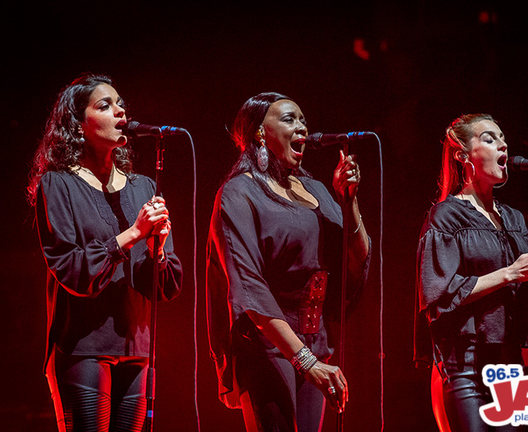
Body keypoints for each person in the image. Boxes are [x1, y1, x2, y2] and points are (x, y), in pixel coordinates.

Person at [27, 73, 184, 432]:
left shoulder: (142, 186)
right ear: (78, 124)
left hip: (138, 347)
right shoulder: (59, 184)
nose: (120, 111)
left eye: (121, 104)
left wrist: (158, 251)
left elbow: (165, 286)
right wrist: (132, 234)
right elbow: (70, 269)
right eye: (105, 105)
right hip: (83, 346)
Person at [206, 92, 371, 431]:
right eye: (289, 119)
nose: (302, 128)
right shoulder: (239, 193)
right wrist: (304, 360)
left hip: (315, 344)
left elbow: (355, 258)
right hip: (267, 348)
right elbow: (248, 285)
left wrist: (349, 201)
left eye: (303, 121)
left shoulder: (316, 189)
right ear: (259, 133)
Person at [414, 113, 528, 432]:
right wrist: (511, 272)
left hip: (508, 365)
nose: (502, 144)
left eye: (503, 138)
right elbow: (440, 293)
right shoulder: (446, 215)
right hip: (465, 366)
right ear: (463, 155)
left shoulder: (515, 219)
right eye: (489, 139)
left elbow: (517, 296)